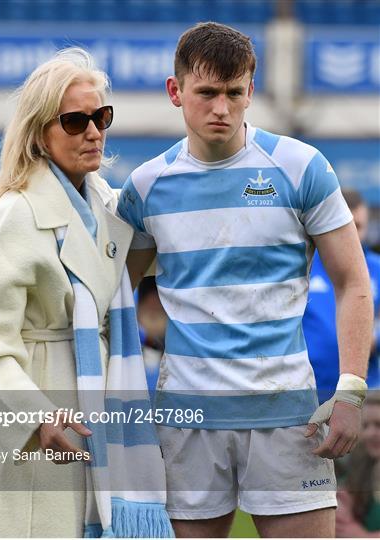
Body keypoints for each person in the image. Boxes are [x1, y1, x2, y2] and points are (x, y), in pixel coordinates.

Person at [117, 22, 373, 538]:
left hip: (288, 418)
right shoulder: (146, 187)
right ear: (176, 92)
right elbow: (114, 296)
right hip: (187, 420)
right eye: (207, 92)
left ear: (251, 91)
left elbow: (354, 284)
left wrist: (350, 393)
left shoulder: (303, 168)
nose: (222, 108)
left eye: (235, 93)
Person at [0, 48, 171, 538]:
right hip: (32, 417)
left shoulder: (108, 208)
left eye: (101, 116)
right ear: (39, 133)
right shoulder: (12, 217)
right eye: (75, 121)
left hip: (91, 412)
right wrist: (37, 419)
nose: (94, 131)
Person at [304, 190, 380, 403]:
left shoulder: (377, 268)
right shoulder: (306, 265)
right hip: (310, 387)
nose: (354, 235)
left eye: (359, 227)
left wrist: (374, 336)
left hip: (364, 392)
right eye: (348, 226)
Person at [336, 394, 380, 537]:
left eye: (379, 425)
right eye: (365, 426)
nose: (369, 433)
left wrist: (364, 537)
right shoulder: (362, 465)